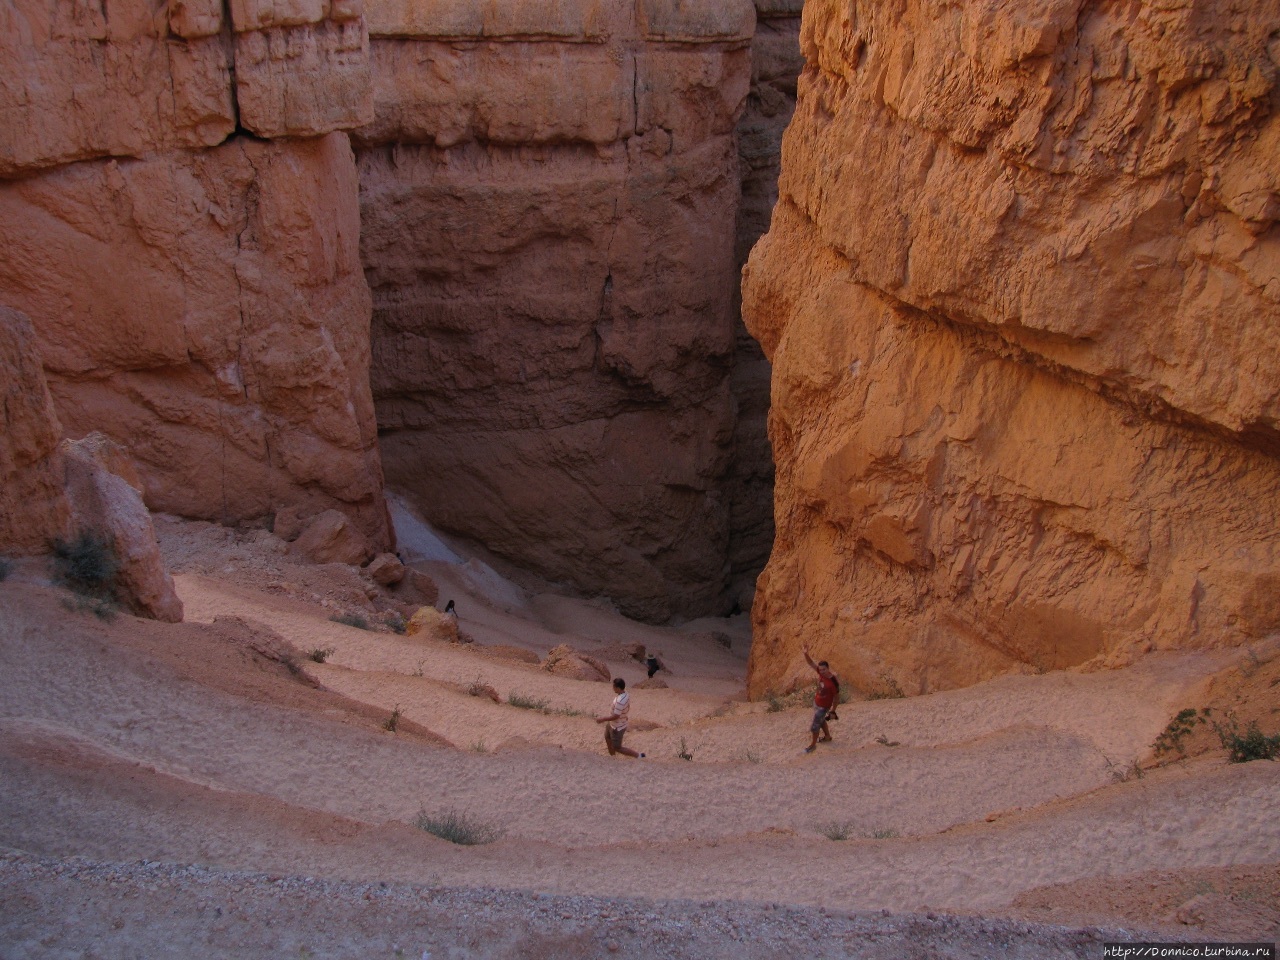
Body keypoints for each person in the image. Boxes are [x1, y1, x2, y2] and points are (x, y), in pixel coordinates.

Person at [802, 645, 839, 754]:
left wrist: (833, 710)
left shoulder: (833, 682)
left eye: (824, 669)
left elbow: (837, 697)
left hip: (823, 707)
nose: (821, 671)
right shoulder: (820, 673)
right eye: (821, 669)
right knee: (821, 720)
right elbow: (811, 663)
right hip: (817, 702)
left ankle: (812, 745)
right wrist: (805, 654)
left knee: (815, 726)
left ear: (828, 668)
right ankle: (827, 736)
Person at [596, 677, 644, 758]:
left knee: (617, 747)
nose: (613, 688)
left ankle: (638, 755)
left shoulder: (620, 701)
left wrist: (603, 719)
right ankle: (612, 757)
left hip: (617, 727)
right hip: (613, 724)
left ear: (618, 688)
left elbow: (616, 716)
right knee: (607, 738)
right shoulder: (626, 694)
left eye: (614, 687)